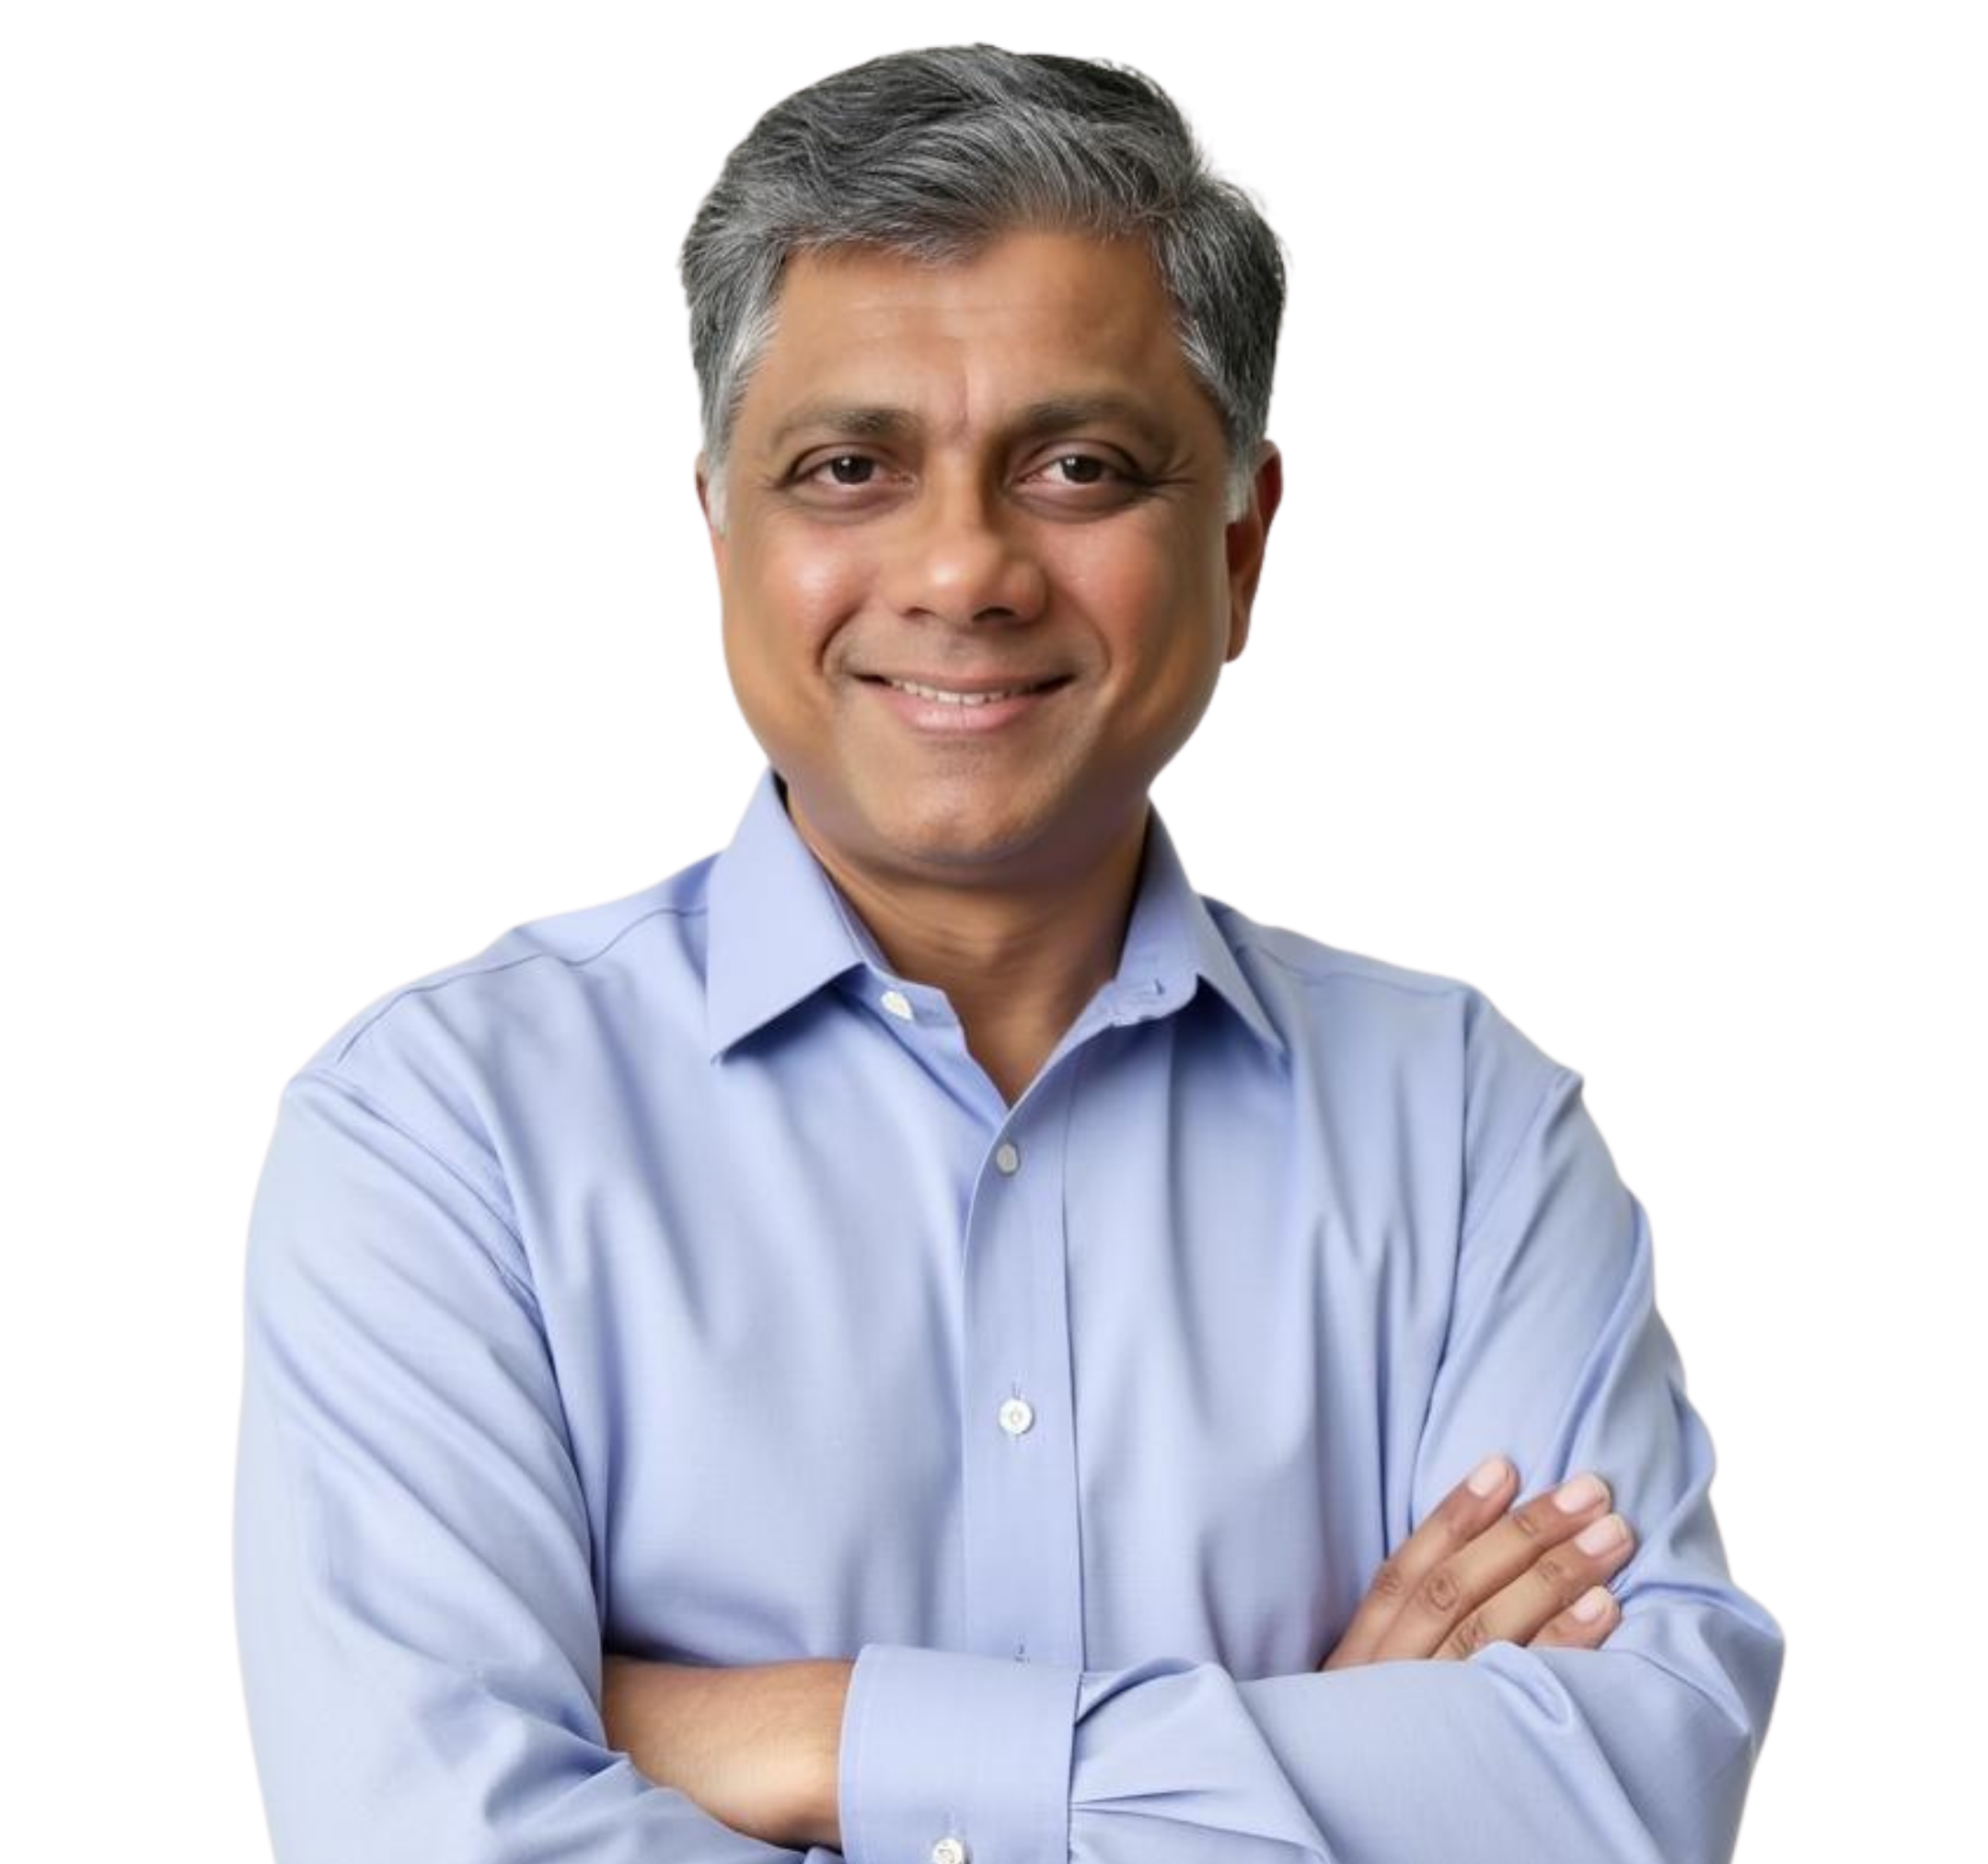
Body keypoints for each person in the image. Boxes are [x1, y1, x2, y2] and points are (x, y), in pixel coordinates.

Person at [231, 41, 1788, 1863]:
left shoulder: (1466, 1131)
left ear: (1245, 545)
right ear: (724, 526)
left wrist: (826, 1733)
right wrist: (1335, 1759)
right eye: (847, 466)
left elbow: (1629, 1798)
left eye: (1077, 462)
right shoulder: (436, 1141)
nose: (965, 568)